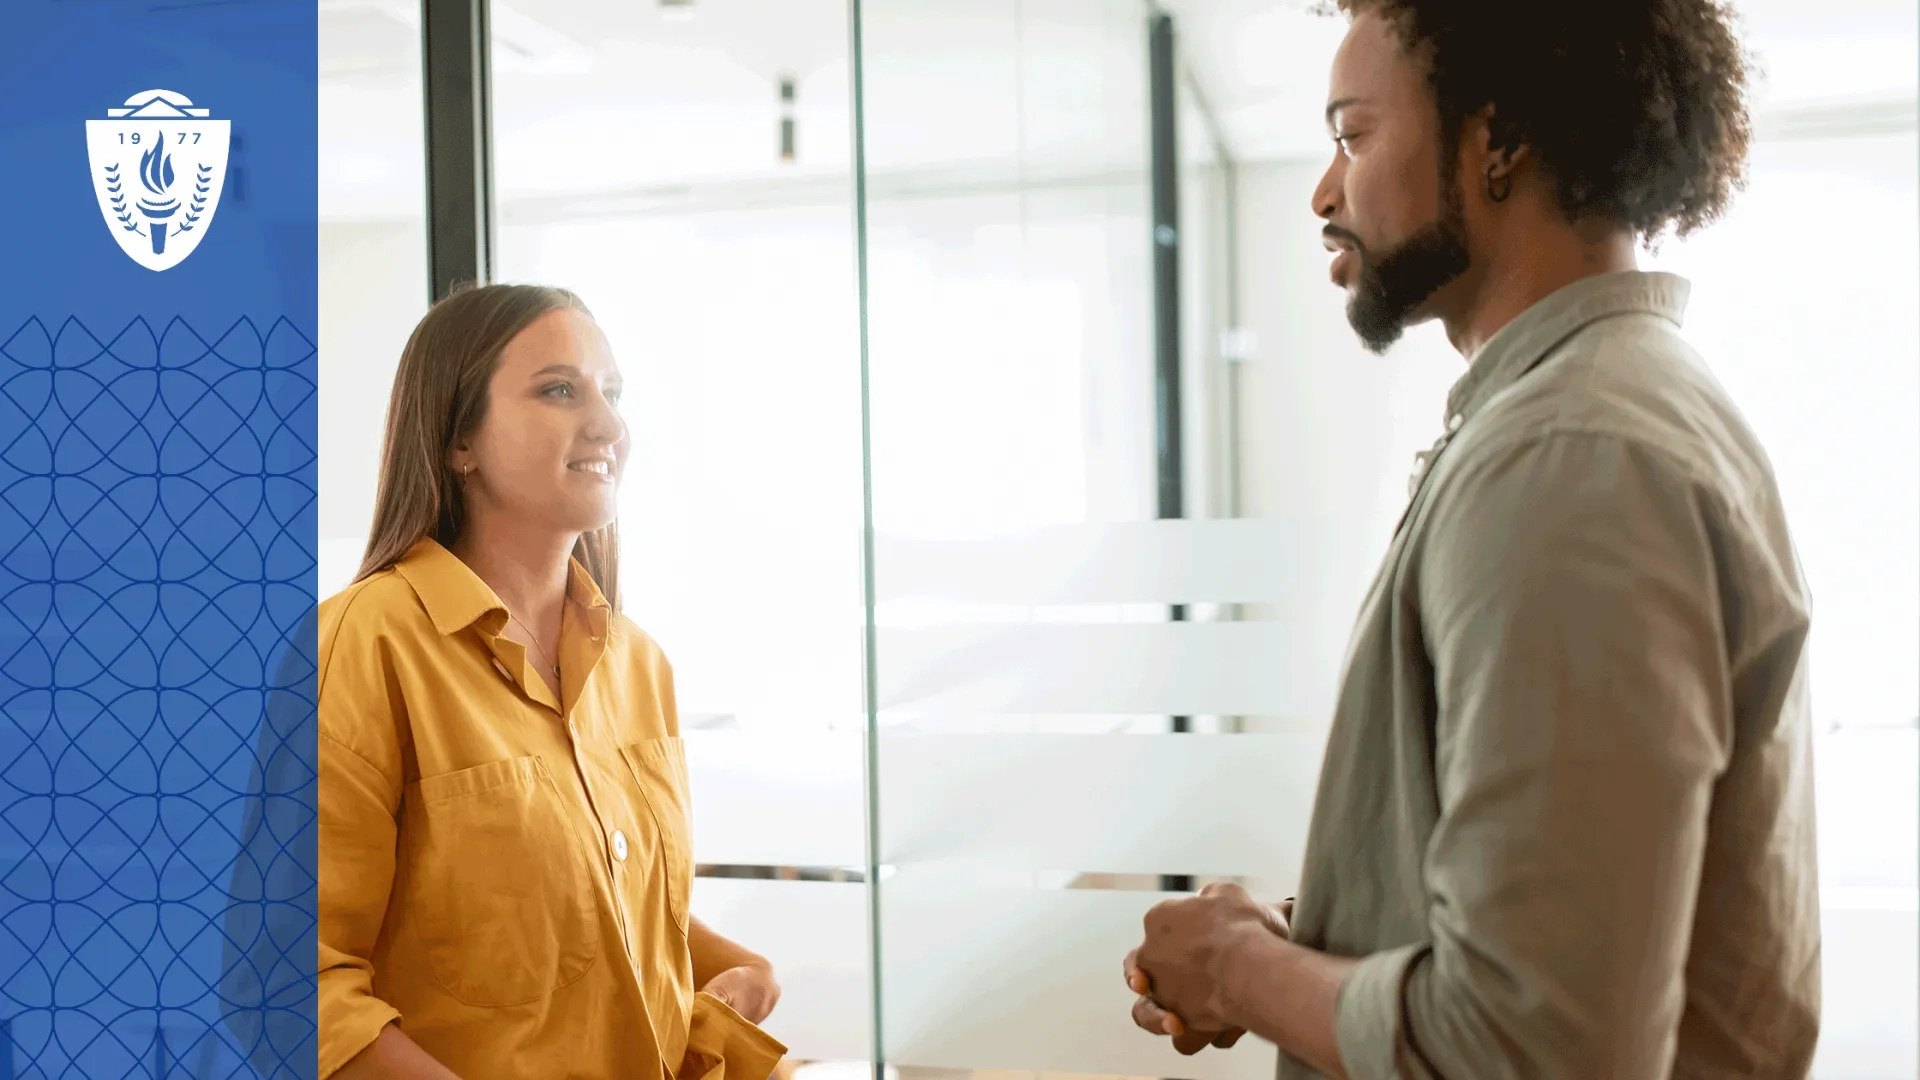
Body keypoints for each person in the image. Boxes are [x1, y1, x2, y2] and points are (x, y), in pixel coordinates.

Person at [1123, 2, 1821, 1078]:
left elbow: (1536, 1042)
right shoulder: (1607, 412)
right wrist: (1301, 945)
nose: (1325, 190)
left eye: (1354, 135)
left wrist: (1238, 972)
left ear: (1497, 141)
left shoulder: (1572, 455)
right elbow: (1567, 910)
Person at [317, 285, 786, 1080]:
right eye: (560, 390)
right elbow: (299, 983)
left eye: (613, 394)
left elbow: (577, 906)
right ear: (459, 439)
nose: (607, 425)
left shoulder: (639, 665)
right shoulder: (364, 646)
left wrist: (725, 963)